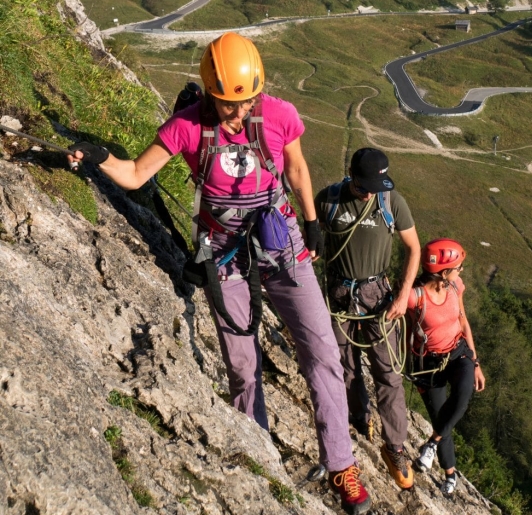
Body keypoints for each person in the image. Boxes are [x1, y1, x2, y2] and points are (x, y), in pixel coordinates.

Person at [68, 32, 370, 514]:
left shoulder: (278, 114)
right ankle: (260, 453)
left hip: (280, 242)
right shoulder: (186, 127)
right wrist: (99, 157)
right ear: (210, 92)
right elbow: (135, 174)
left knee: (322, 351)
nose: (238, 113)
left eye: (246, 101)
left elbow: (295, 169)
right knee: (243, 366)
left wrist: (311, 223)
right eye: (228, 104)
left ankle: (341, 466)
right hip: (224, 253)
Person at [315, 148, 421, 490]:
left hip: (379, 298)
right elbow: (309, 242)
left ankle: (395, 447)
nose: (371, 192)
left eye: (377, 184)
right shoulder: (329, 200)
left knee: (388, 373)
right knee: (344, 366)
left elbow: (413, 248)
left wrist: (404, 295)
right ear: (351, 175)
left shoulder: (391, 202)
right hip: (340, 297)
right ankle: (359, 420)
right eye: (365, 185)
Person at [407, 238, 485, 496]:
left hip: (458, 354)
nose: (461, 270)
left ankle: (430, 445)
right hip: (428, 365)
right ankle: (450, 475)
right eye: (458, 266)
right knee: (442, 417)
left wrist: (475, 362)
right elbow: (392, 312)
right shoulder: (414, 296)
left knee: (462, 397)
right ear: (442, 271)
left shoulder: (455, 287)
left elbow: (463, 322)